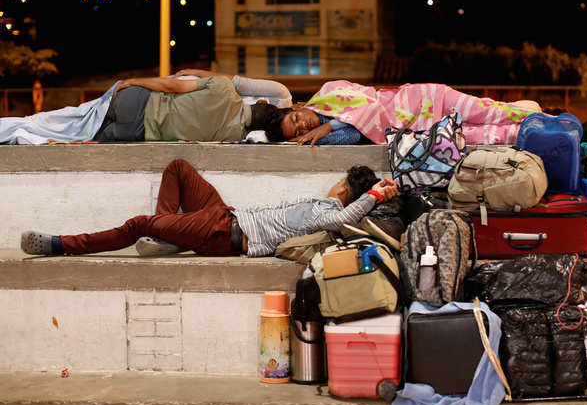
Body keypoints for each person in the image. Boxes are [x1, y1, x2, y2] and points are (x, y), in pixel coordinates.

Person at [20, 158, 398, 257]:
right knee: (178, 169)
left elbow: (348, 216)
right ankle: (165, 231)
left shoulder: (330, 211)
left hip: (224, 234)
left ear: (345, 189)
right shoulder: (322, 204)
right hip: (226, 215)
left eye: (339, 182)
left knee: (137, 224)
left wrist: (376, 195)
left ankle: (60, 245)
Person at [0, 73, 290, 145]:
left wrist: (132, 81)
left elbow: (172, 85)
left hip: (136, 101)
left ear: (260, 103)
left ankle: (17, 127)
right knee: (67, 135)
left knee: (68, 117)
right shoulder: (229, 138)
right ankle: (19, 133)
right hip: (136, 132)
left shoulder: (223, 88)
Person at [260, 80, 542, 146]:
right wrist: (326, 132)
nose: (303, 124)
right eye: (298, 131)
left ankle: (550, 123)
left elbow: (369, 107)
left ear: (296, 107)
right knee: (496, 136)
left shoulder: (329, 90)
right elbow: (357, 134)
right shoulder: (323, 138)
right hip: (424, 135)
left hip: (426, 100)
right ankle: (544, 136)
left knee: (492, 113)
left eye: (296, 118)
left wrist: (327, 126)